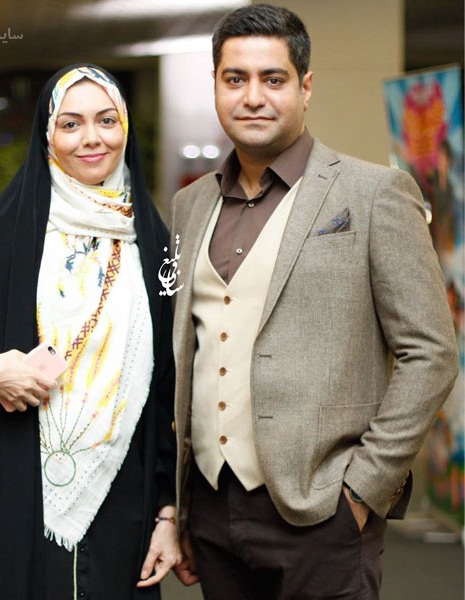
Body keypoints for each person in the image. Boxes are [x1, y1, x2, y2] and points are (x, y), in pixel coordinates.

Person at [169, 5, 459, 599]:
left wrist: (364, 488)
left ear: (305, 88)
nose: (253, 96)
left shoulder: (374, 192)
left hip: (324, 510)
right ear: (216, 86)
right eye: (235, 79)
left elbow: (430, 352)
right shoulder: (190, 205)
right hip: (213, 508)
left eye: (272, 79)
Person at [0, 64, 180, 600]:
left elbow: (168, 392)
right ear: (47, 135)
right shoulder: (0, 234)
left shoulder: (153, 242)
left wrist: (168, 513)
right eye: (71, 123)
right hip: (15, 496)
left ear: (125, 128)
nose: (92, 138)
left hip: (123, 500)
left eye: (106, 120)